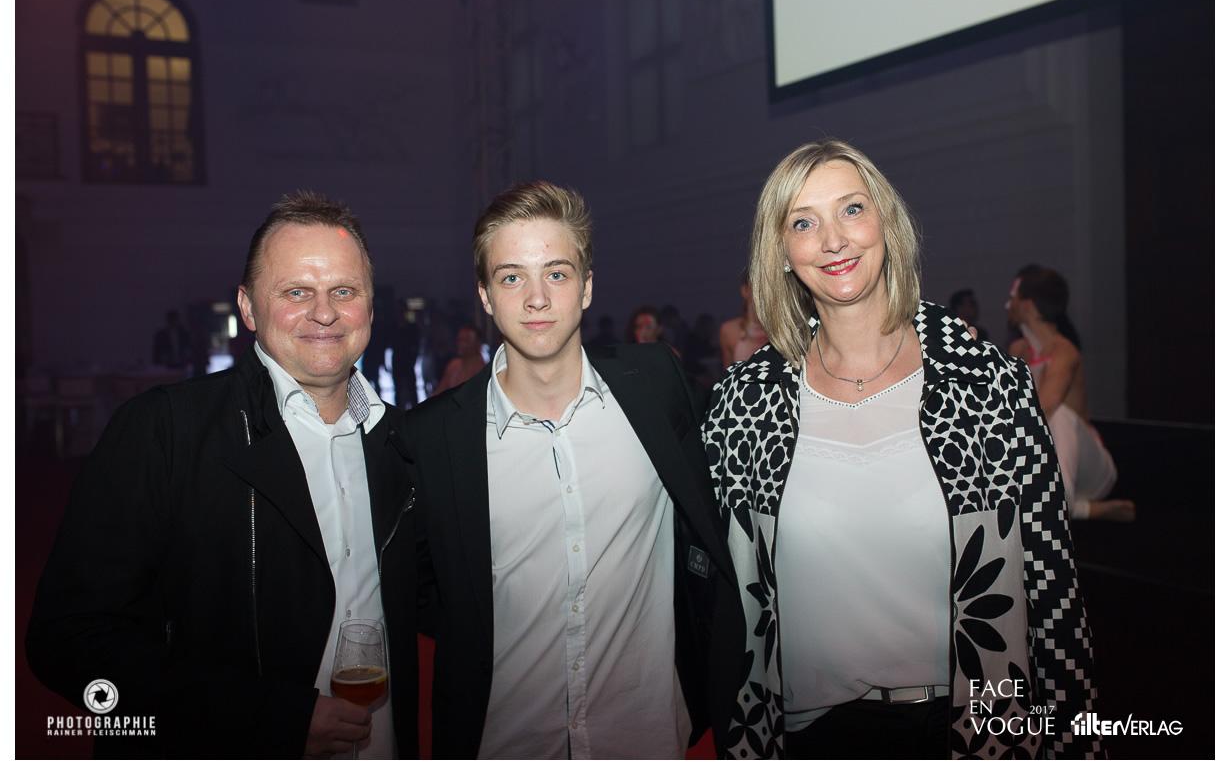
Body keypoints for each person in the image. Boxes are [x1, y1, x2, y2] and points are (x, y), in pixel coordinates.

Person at [703, 140, 1102, 759]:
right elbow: (721, 596)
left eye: (852, 209)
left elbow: (1051, 586)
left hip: (970, 732)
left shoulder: (985, 386)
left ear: (886, 223)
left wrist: (1073, 743)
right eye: (803, 222)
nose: (833, 240)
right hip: (807, 739)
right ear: (780, 252)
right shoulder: (745, 406)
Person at [27, 192, 419, 759]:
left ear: (370, 308)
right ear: (248, 308)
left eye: (344, 291)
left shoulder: (401, 444)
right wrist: (271, 718)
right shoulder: (165, 430)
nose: (324, 312)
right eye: (296, 292)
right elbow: (69, 640)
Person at [405, 180, 743, 759]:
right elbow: (425, 592)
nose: (537, 298)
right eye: (512, 277)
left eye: (557, 274)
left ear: (586, 287)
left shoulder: (654, 386)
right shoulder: (433, 438)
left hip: (647, 740)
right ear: (485, 296)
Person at [1006, 265, 1134, 522]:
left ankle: (1060, 500)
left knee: (1058, 414)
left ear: (1028, 305)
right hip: (1045, 456)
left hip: (1090, 468)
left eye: (1013, 297)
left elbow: (1044, 408)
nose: (1007, 305)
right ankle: (1086, 509)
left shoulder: (1064, 352)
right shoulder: (1017, 350)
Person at [718, 270, 769, 368]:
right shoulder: (730, 330)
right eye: (758, 286)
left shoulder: (783, 330)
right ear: (745, 291)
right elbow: (728, 372)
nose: (765, 292)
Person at [436, 323, 485, 392]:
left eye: (466, 340)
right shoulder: (453, 366)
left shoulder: (481, 370)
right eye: (459, 340)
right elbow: (439, 391)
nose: (461, 344)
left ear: (478, 343)